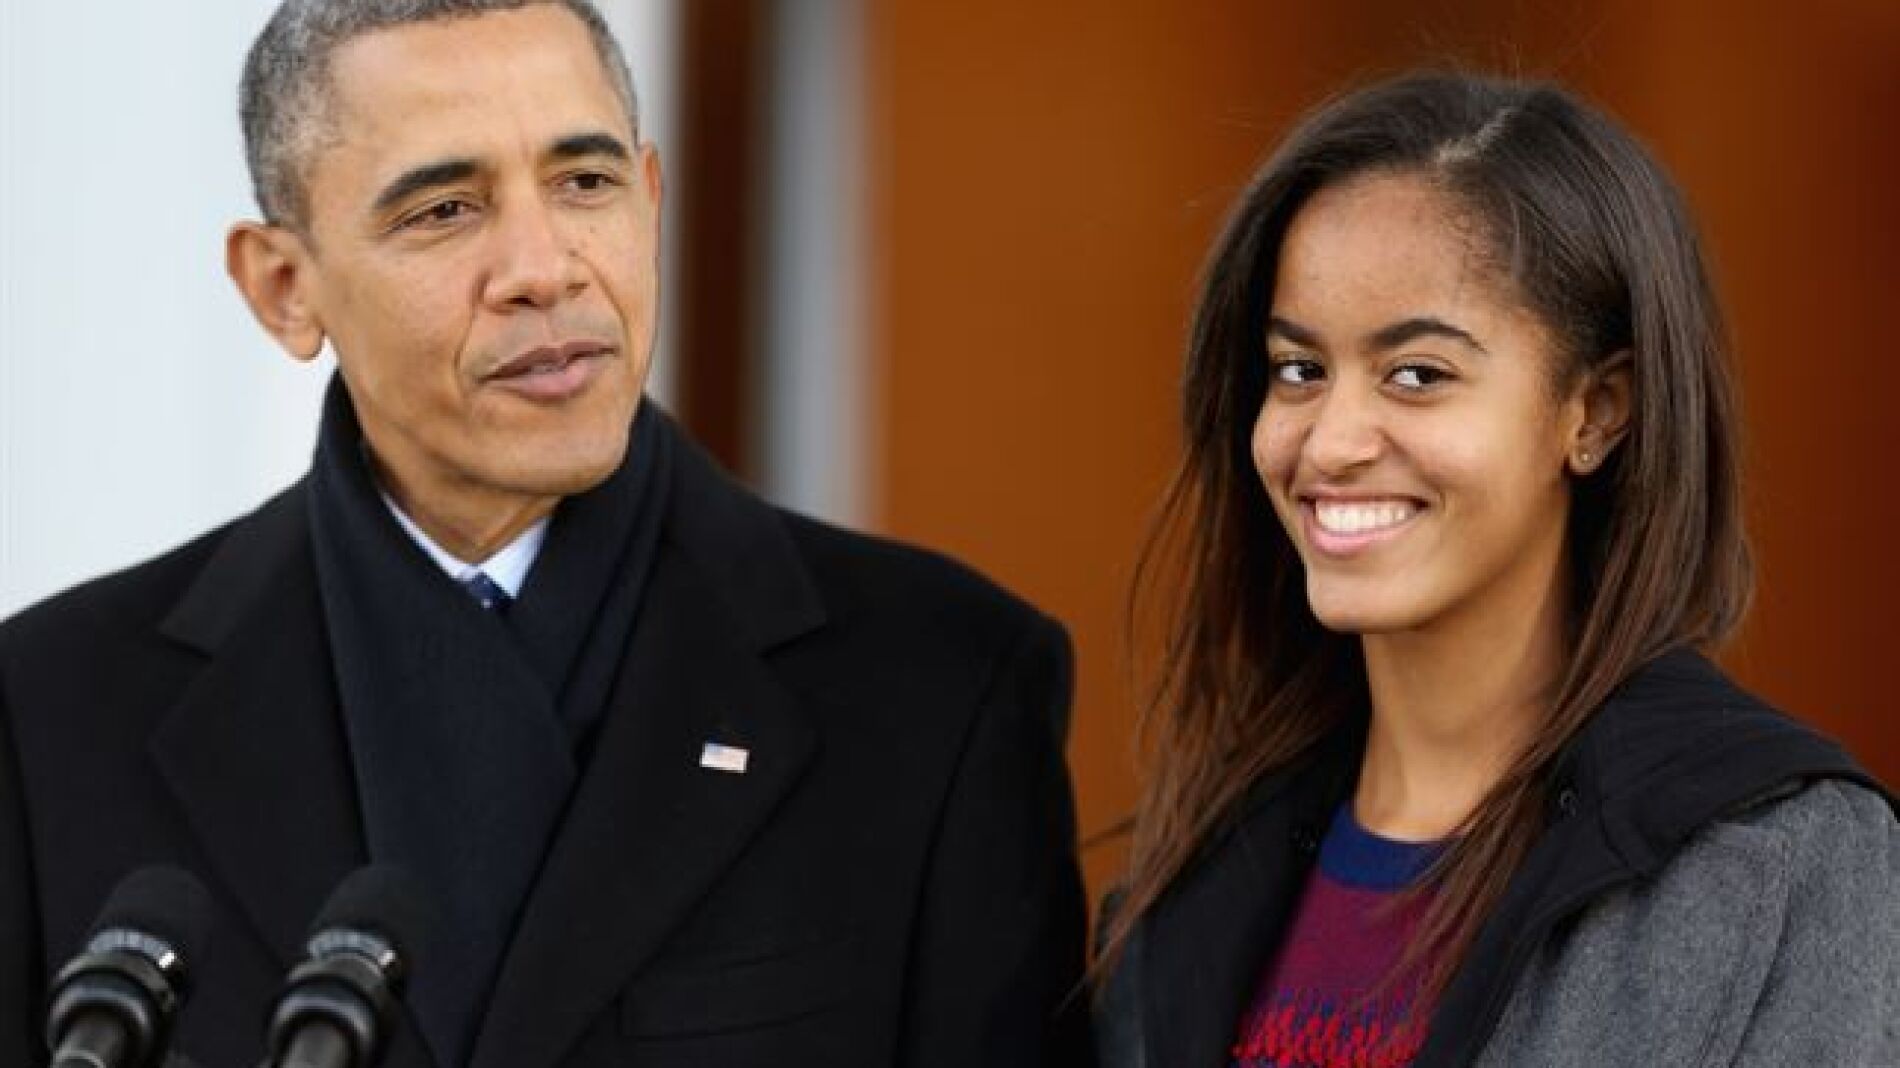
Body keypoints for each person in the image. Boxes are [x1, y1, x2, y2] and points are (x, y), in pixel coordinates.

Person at [0, 2, 1093, 1065]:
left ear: (652, 200)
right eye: (444, 210)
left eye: (585, 183)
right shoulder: (55, 709)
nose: (545, 268)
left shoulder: (939, 687)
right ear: (285, 288)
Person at [1093, 71, 1898, 1068]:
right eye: (1297, 368)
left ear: (1595, 413)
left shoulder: (1774, 858)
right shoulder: (1194, 884)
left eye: (1416, 375)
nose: (1330, 440)